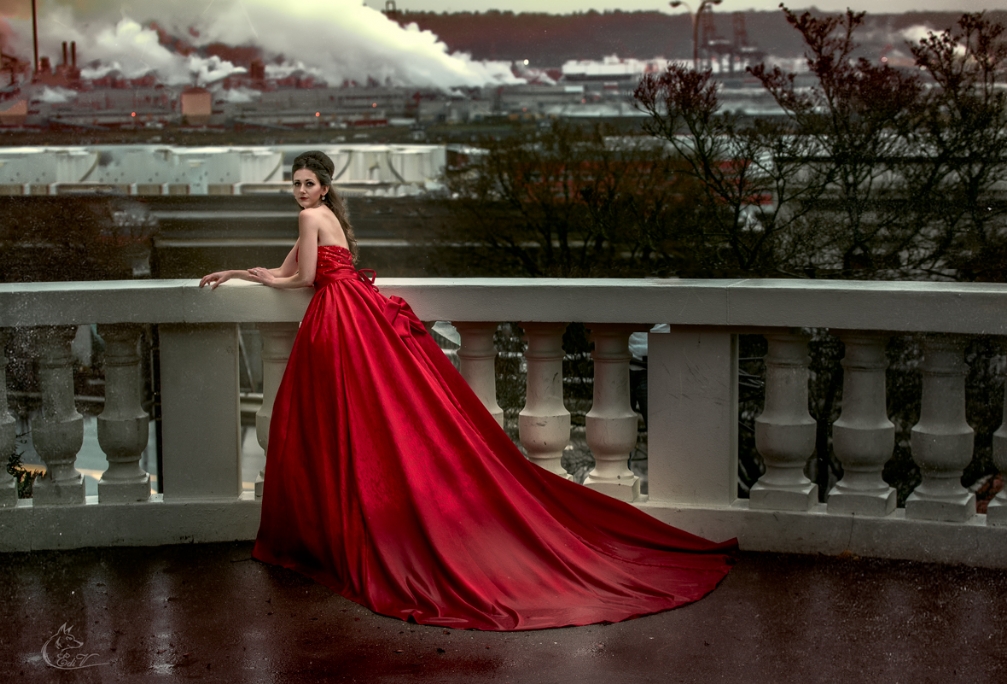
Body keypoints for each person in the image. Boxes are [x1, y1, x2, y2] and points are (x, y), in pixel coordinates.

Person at [200, 150, 736, 632]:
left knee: (339, 418)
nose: (300, 190)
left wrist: (267, 282)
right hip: (352, 311)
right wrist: (235, 272)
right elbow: (287, 268)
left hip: (339, 316)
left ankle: (335, 531)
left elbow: (299, 279)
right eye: (294, 183)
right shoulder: (325, 218)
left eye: (307, 183)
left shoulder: (309, 218)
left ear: (323, 187)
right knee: (369, 414)